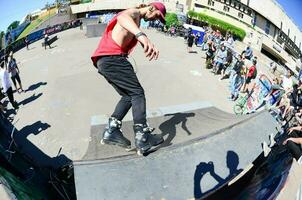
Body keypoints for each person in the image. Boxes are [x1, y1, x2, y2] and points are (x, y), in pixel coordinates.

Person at [91, 2, 165, 154]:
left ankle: (112, 131)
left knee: (127, 96)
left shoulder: (137, 20)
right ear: (152, 7)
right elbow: (123, 17)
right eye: (157, 15)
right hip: (112, 59)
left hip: (104, 61)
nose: (155, 19)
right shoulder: (134, 13)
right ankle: (143, 137)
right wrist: (142, 36)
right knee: (137, 93)